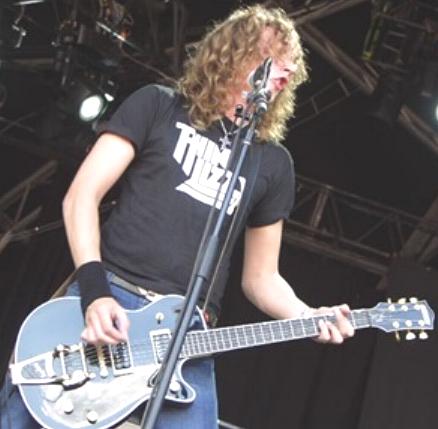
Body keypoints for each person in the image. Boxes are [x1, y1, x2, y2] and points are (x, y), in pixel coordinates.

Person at [0, 4, 354, 429]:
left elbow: (261, 277)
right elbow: (81, 197)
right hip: (112, 295)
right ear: (233, 53)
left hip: (187, 330)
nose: (286, 71)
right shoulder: (158, 106)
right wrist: (94, 293)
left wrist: (306, 315)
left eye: (290, 64)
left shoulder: (273, 163)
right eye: (273, 56)